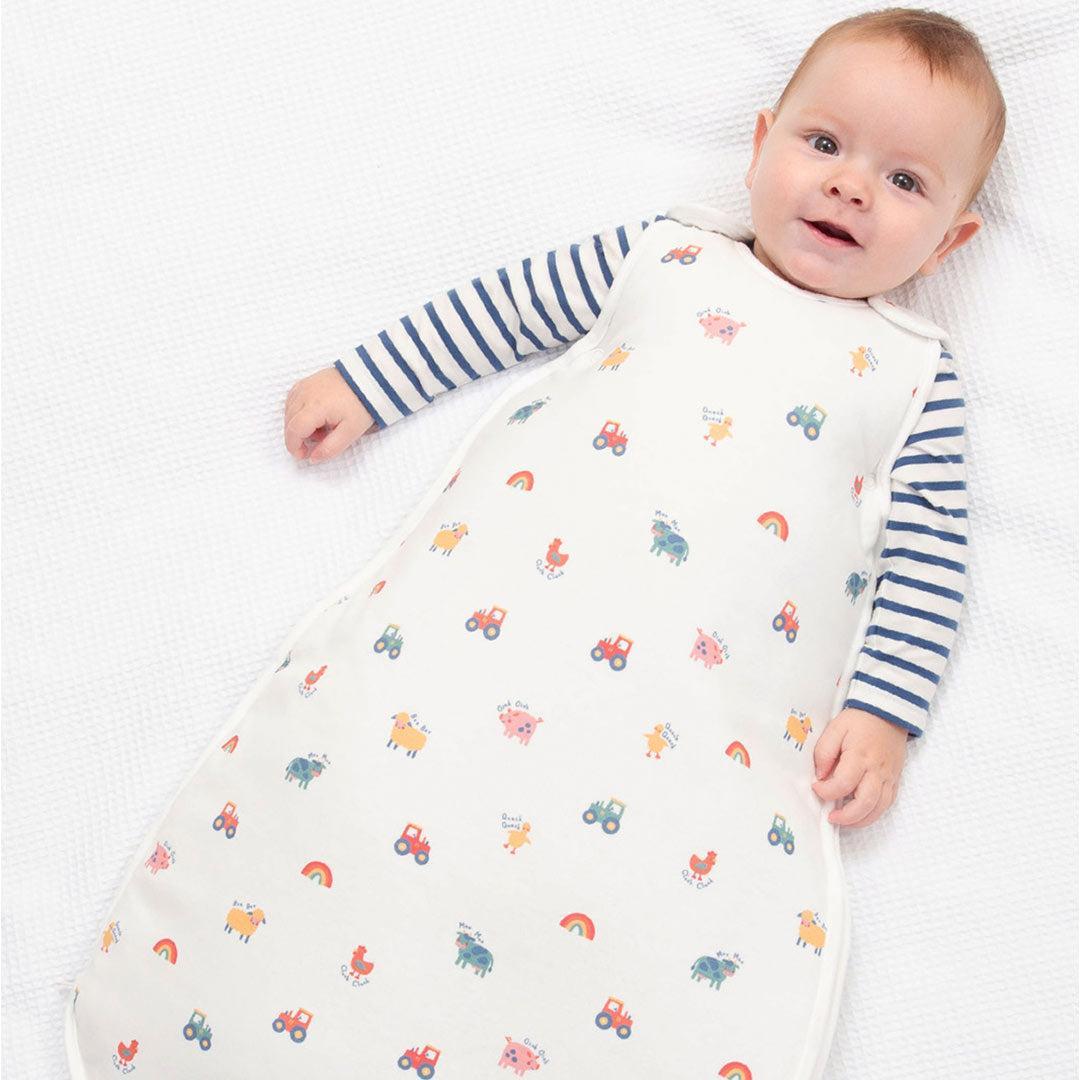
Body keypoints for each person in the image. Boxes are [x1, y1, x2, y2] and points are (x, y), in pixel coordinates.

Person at [67, 8, 1004, 1078]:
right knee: (379, 782)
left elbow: (931, 558)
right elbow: (506, 310)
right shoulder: (664, 256)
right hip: (499, 635)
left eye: (905, 181)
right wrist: (367, 383)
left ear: (951, 241)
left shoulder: (912, 380)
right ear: (759, 145)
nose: (849, 187)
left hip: (682, 720)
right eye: (825, 143)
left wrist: (885, 711)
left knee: (607, 894)